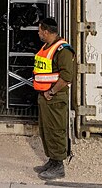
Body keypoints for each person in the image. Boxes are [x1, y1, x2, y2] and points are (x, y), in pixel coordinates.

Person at [32, 18, 75, 180]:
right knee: (46, 130)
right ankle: (52, 160)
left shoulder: (62, 50)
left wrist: (52, 91)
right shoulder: (47, 47)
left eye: (40, 30)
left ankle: (58, 166)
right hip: (45, 96)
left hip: (55, 97)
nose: (38, 33)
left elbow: (66, 76)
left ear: (46, 32)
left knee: (56, 130)